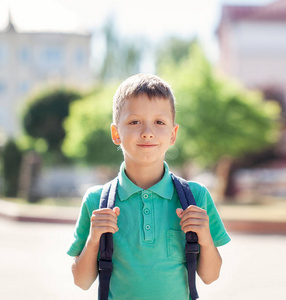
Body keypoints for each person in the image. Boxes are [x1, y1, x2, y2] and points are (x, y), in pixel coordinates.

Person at [67, 74, 231, 299]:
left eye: (159, 122)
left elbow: (210, 276)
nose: (147, 132)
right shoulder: (97, 201)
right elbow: (81, 281)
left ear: (173, 134)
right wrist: (94, 238)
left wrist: (204, 236)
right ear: (116, 133)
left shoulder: (196, 197)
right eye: (134, 122)